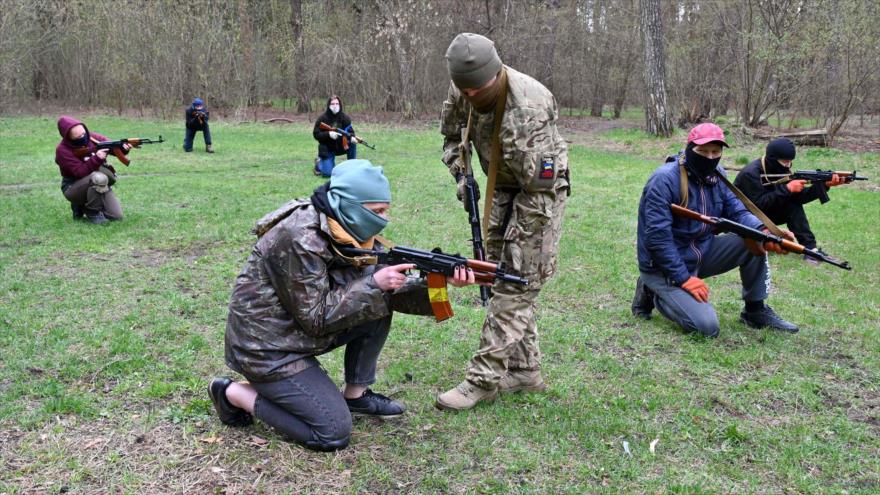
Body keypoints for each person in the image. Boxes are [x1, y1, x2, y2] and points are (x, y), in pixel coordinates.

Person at [208, 160, 477, 452]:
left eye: (385, 210)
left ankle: (356, 395)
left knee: (378, 301)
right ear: (349, 204)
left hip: (295, 331)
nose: (385, 219)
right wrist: (375, 284)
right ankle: (232, 393)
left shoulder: (347, 226)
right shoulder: (299, 238)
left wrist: (441, 284)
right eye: (377, 212)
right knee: (332, 432)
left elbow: (383, 293)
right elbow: (317, 317)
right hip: (265, 348)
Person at [435, 33, 570, 411]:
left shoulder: (529, 106)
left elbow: (539, 186)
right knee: (498, 275)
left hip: (539, 192)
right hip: (498, 185)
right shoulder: (462, 89)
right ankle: (525, 371)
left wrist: (521, 248)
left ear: (496, 74)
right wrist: (462, 175)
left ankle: (482, 380)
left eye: (479, 89)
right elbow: (450, 137)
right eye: (466, 90)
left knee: (516, 280)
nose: (472, 96)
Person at [631, 123, 800, 337]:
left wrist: (765, 233)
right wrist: (683, 278)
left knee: (753, 240)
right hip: (663, 267)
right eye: (703, 151)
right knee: (706, 327)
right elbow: (657, 239)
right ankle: (653, 290)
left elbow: (737, 211)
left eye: (716, 152)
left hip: (701, 253)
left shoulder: (717, 174)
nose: (710, 157)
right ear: (689, 148)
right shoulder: (664, 179)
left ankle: (755, 311)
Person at [732, 138, 846, 265]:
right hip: (746, 219)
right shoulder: (750, 173)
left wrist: (824, 185)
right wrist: (787, 189)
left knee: (793, 205)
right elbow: (758, 205)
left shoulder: (781, 169)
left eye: (790, 162)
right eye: (785, 162)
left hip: (765, 215)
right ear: (772, 159)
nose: (788, 166)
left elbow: (798, 198)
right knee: (790, 203)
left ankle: (810, 249)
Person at [55, 116, 127, 225]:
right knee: (99, 178)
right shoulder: (62, 150)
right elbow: (79, 172)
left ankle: (82, 206)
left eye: (83, 133)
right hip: (73, 187)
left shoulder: (92, 138)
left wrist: (123, 148)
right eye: (78, 137)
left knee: (117, 216)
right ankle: (92, 211)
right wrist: (97, 158)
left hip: (96, 182)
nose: (83, 137)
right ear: (68, 138)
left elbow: (112, 146)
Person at [312, 96, 357, 177]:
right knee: (328, 174)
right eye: (332, 104)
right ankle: (319, 164)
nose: (335, 106)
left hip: (341, 146)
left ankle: (352, 167)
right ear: (329, 105)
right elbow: (316, 134)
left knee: (353, 143)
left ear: (340, 104)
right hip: (327, 148)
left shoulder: (345, 118)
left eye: (337, 103)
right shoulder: (322, 118)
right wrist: (328, 134)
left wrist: (353, 137)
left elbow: (350, 132)